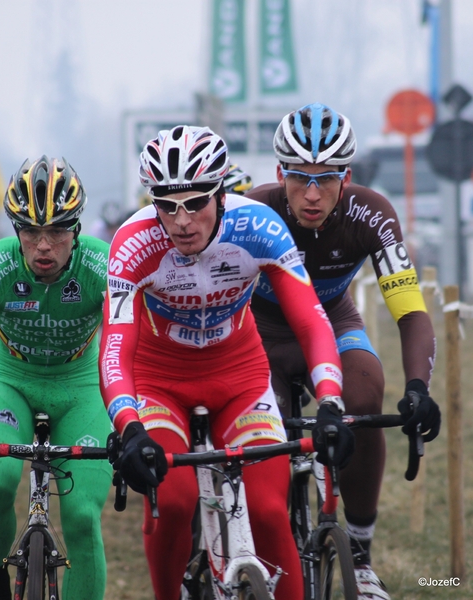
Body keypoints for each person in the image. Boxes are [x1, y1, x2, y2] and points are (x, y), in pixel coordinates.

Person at [98, 125, 354, 600]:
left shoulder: (256, 226)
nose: (180, 221)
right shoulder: (133, 242)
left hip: (239, 375)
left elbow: (312, 321)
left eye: (195, 203)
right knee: (172, 503)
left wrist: (332, 403)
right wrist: (129, 427)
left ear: (220, 192)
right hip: (160, 382)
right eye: (166, 205)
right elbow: (115, 345)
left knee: (270, 511)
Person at [245, 103, 441, 600]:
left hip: (332, 320)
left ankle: (359, 550)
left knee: (364, 391)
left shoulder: (371, 213)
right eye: (299, 178)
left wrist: (419, 387)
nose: (312, 194)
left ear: (347, 177)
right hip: (262, 333)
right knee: (267, 428)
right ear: (279, 174)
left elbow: (411, 309)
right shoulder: (252, 208)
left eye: (327, 179)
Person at [0, 156, 113, 600]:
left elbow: (128, 353)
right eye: (31, 232)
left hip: (81, 384)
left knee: (83, 518)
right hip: (9, 378)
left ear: (77, 228)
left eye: (57, 231)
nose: (43, 246)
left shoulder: (103, 266)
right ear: (16, 231)